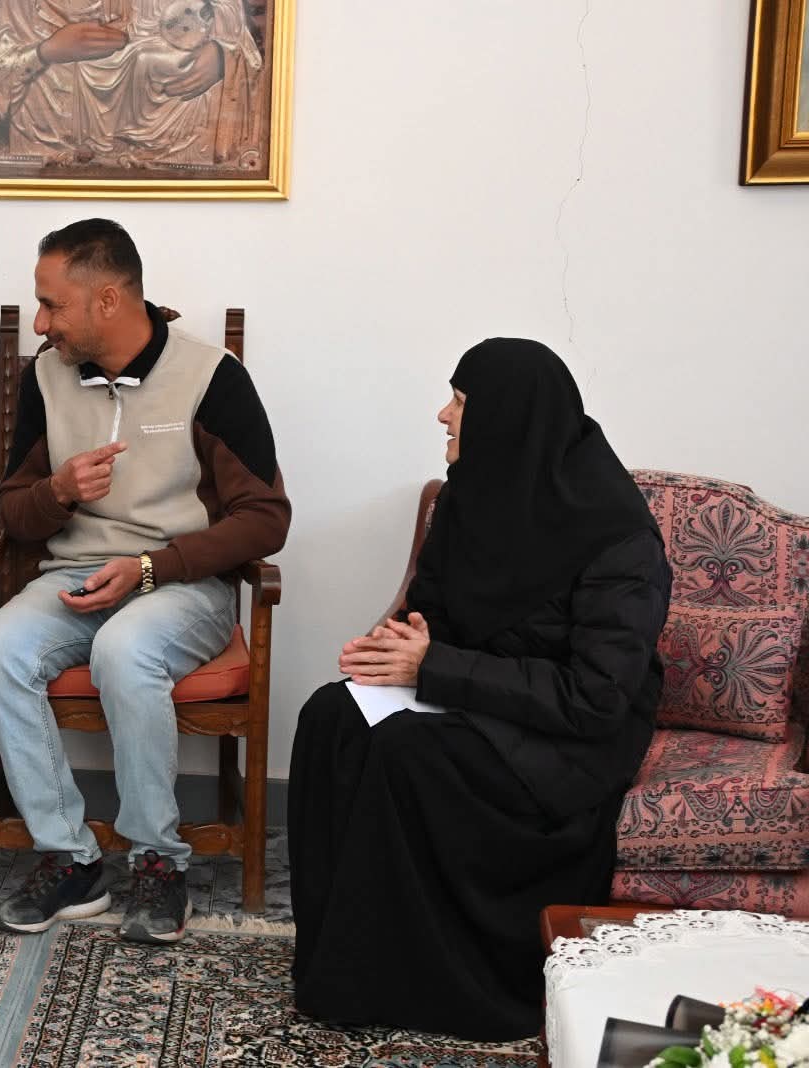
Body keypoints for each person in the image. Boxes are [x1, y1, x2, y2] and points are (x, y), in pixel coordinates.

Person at [287, 338, 671, 1039]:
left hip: (567, 740)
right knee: (328, 716)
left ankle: (433, 983)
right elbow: (434, 608)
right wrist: (398, 646)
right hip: (476, 700)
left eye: (460, 401)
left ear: (509, 417)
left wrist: (432, 667)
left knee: (406, 752)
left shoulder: (618, 539)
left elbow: (595, 698)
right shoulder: (472, 494)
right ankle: (344, 966)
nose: (443, 414)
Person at [0, 218, 290, 944]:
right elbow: (14, 513)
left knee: (125, 650)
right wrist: (57, 491)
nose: (41, 323)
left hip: (183, 584)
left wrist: (152, 567)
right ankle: (69, 857)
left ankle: (157, 861)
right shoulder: (46, 376)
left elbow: (267, 518)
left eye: (52, 305)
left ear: (109, 300)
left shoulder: (211, 377)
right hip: (76, 577)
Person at [0, 0, 264, 167]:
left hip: (175, 166)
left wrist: (224, 58)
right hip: (44, 169)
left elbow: (246, 54)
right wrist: (46, 52)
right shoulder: (11, 7)